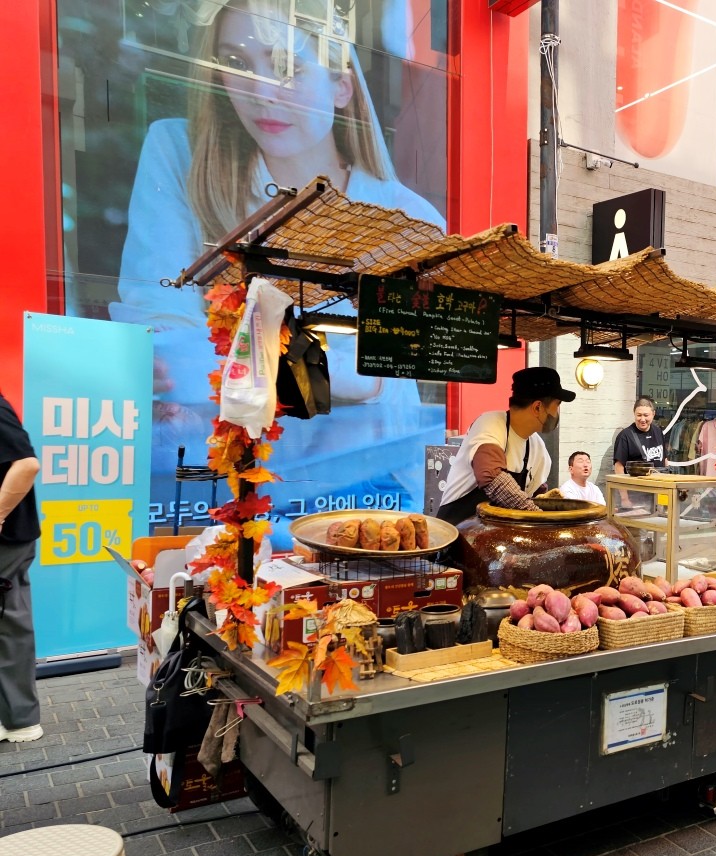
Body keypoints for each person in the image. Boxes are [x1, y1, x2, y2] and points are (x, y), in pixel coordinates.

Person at [111, 0, 447, 543]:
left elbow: (401, 375)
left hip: (371, 484)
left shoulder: (410, 219)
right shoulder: (181, 155)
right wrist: (348, 377)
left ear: (341, 86)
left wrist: (248, 367)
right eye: (237, 62)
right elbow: (163, 345)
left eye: (286, 64)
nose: (261, 89)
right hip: (226, 488)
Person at [436, 367, 575, 524]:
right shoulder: (490, 423)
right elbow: (491, 475)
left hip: (495, 539)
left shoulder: (537, 447)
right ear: (537, 407)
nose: (558, 413)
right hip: (456, 534)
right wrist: (538, 517)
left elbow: (535, 496)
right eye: (557, 405)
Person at [0, 393, 43, 743]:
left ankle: (18, 720)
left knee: (9, 625)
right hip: (10, 537)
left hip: (7, 538)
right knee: (9, 623)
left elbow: (26, 464)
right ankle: (14, 717)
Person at [613, 397, 666, 474]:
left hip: (660, 482)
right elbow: (619, 468)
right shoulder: (625, 436)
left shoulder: (658, 431)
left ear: (653, 414)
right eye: (639, 415)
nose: (642, 419)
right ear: (634, 414)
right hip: (636, 484)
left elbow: (664, 459)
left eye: (646, 415)